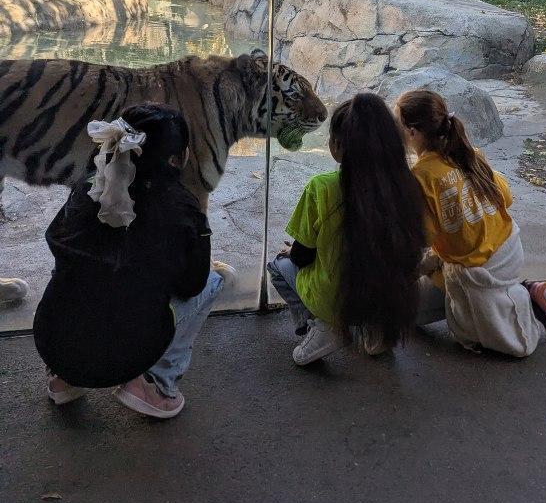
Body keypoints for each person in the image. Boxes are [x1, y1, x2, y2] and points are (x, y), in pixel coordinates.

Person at [34, 102, 224, 419]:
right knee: (213, 281)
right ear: (177, 157)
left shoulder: (88, 187)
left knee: (72, 269)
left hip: (53, 342)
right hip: (126, 355)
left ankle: (63, 378)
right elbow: (192, 284)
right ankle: (154, 386)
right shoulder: (181, 208)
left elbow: (56, 237)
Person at [395, 90, 546, 356]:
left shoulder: (421, 175)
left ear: (412, 132)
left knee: (511, 345)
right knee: (436, 282)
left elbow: (424, 237)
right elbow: (506, 197)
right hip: (508, 252)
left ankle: (524, 298)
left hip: (477, 270)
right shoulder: (470, 154)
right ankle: (513, 292)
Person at [268, 92, 425, 366]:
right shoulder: (407, 184)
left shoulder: (321, 188)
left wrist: (292, 251)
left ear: (339, 146)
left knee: (278, 266)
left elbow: (302, 257)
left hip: (337, 301)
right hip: (389, 298)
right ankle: (377, 330)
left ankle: (320, 326)